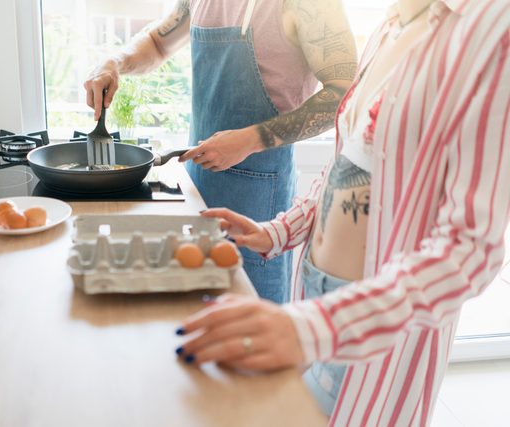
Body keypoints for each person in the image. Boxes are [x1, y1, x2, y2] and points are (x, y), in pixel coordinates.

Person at [175, 0, 510, 423]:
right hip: (313, 291)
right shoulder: (392, 24)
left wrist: (314, 327)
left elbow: (470, 250)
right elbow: (347, 164)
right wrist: (277, 231)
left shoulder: (491, 29)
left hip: (370, 327)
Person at [84, 0, 357, 303]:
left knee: (248, 325)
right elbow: (157, 44)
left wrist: (250, 139)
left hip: (258, 198)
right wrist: (115, 62)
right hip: (197, 184)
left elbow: (344, 93)